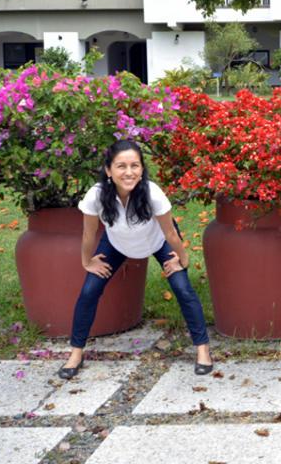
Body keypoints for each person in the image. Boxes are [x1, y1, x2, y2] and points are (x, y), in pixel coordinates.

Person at [58, 140, 213, 379]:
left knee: (182, 288)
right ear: (109, 170)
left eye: (135, 165)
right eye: (121, 166)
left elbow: (170, 232)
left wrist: (183, 259)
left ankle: (203, 349)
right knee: (89, 291)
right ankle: (75, 354)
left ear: (142, 169)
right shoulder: (96, 195)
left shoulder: (152, 193)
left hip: (159, 242)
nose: (129, 172)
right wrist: (86, 261)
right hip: (116, 245)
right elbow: (89, 233)